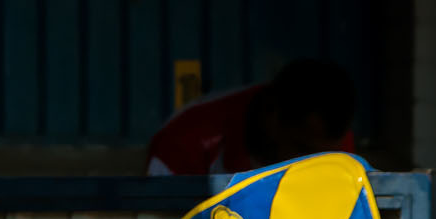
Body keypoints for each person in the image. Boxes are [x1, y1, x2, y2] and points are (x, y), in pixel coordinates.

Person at [145, 58, 356, 177]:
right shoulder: (183, 142)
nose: (313, 165)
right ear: (272, 117)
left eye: (325, 158)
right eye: (303, 150)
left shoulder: (334, 142)